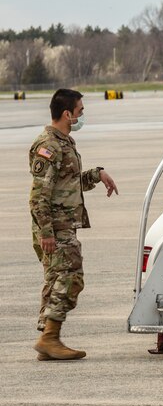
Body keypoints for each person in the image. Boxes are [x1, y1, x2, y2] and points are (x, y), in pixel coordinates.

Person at [30, 89, 118, 360]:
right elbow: (39, 195)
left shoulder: (63, 142)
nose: (82, 115)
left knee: (55, 279)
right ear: (67, 114)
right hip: (56, 228)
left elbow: (66, 183)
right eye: (80, 111)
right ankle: (50, 338)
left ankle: (48, 338)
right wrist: (47, 233)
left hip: (61, 225)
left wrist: (96, 175)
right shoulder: (49, 146)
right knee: (71, 278)